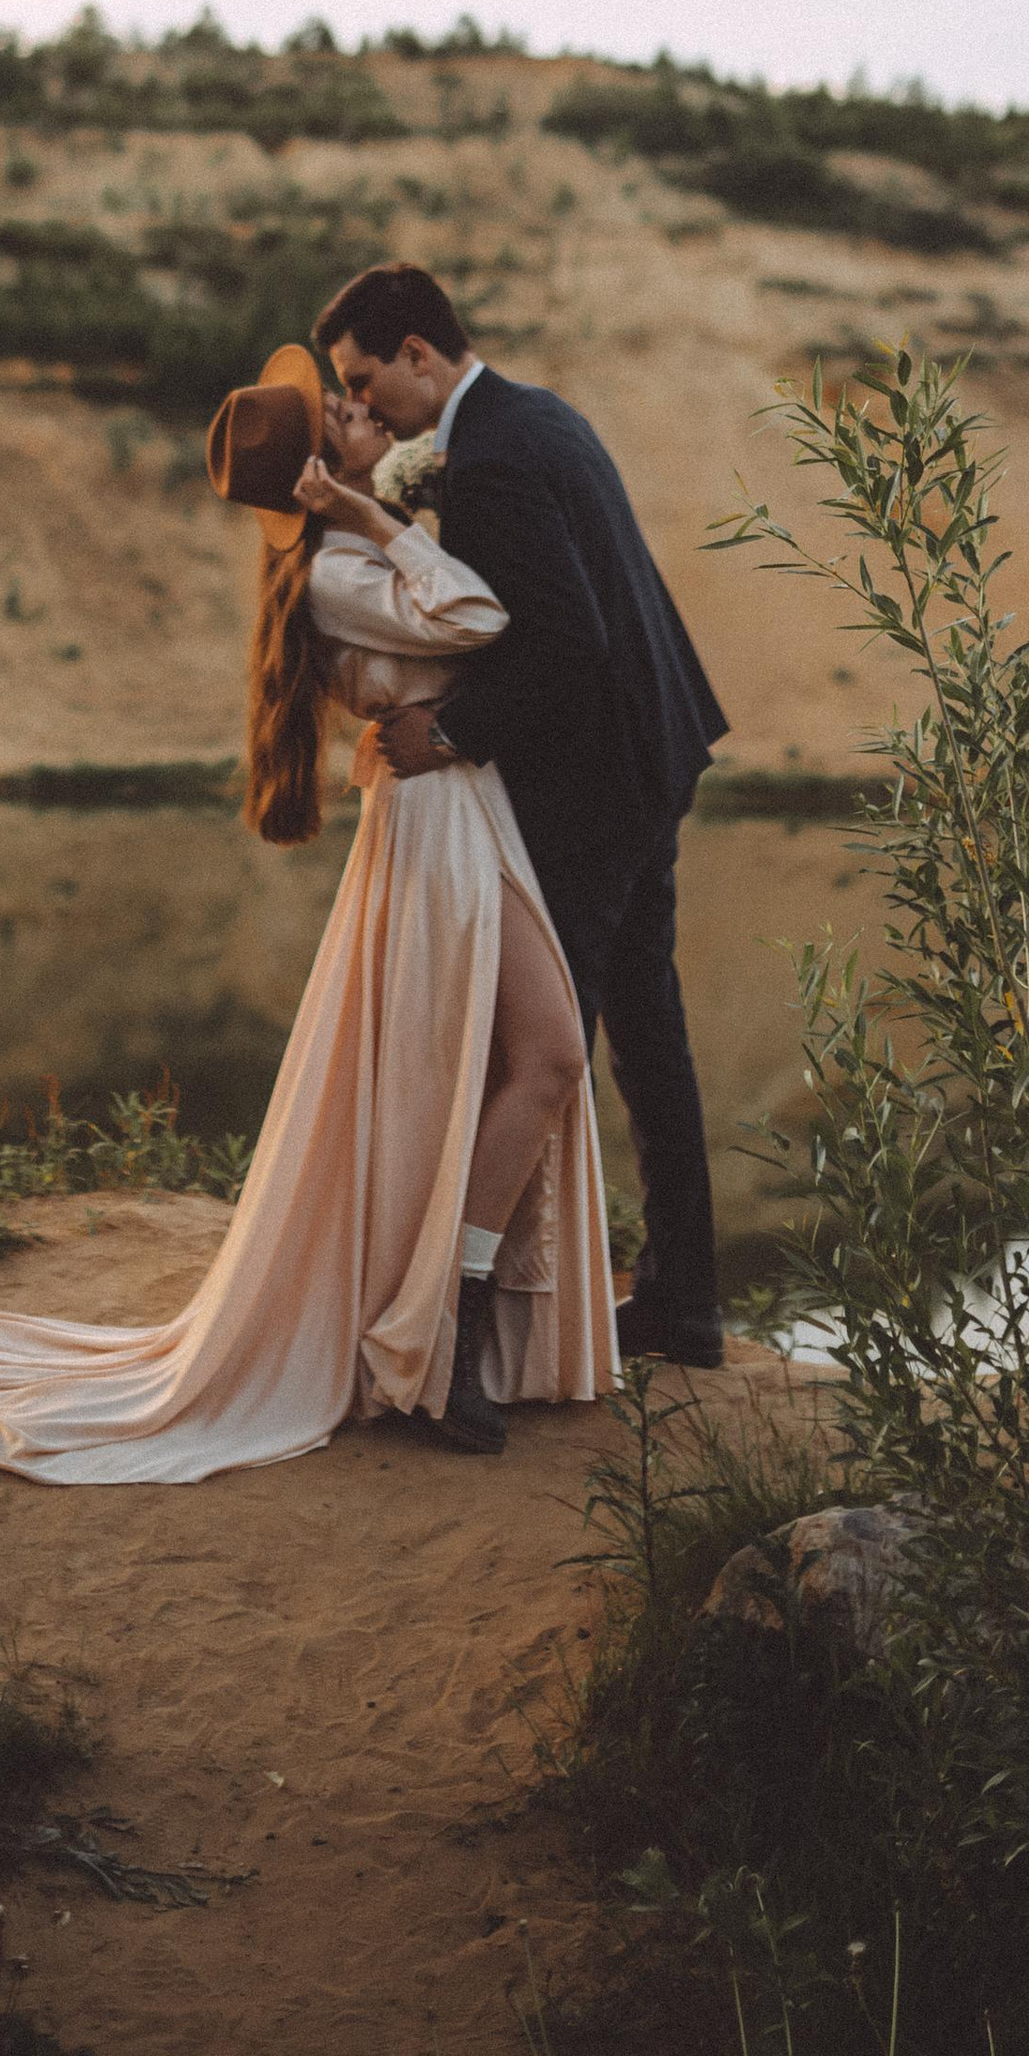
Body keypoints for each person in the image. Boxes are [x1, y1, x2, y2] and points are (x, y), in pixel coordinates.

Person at [0, 343, 612, 1482]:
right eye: (335, 417)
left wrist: (374, 511)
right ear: (314, 474)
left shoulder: (346, 560)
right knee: (542, 1058)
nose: (354, 410)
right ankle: (442, 1323)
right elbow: (480, 615)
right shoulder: (344, 571)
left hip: (458, 813)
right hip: (438, 834)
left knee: (542, 1059)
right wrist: (375, 518)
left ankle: (454, 1312)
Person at [312, 263, 729, 1369]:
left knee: (546, 1049)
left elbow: (566, 638)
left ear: (417, 353)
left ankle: (514, 1315)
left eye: (365, 377)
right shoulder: (534, 414)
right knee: (646, 1037)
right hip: (658, 743)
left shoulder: (488, 458)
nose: (362, 403)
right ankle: (680, 1303)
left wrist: (448, 736)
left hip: (593, 778)